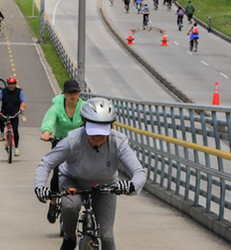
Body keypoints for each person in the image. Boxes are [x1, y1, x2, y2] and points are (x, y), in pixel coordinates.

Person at [34, 98, 147, 250]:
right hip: (73, 180)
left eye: (103, 131)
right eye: (94, 131)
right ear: (85, 125)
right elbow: (46, 162)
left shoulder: (118, 142)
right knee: (69, 206)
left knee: (107, 236)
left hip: (106, 185)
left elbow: (139, 172)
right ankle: (69, 237)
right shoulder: (73, 140)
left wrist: (131, 186)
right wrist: (40, 186)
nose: (98, 137)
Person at [40, 79, 85, 224]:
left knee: (85, 173)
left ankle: (87, 205)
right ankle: (53, 203)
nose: (73, 95)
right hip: (60, 143)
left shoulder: (84, 107)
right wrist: (46, 133)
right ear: (64, 94)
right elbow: (49, 121)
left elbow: (91, 121)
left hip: (79, 145)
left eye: (76, 92)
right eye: (70, 92)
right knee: (57, 173)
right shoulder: (57, 107)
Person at [0, 76, 26, 157]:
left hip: (14, 114)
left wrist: (22, 107)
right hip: (5, 113)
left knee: (15, 131)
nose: (11, 85)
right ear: (7, 84)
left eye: (13, 84)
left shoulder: (19, 92)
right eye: (9, 84)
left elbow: (23, 101)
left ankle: (16, 148)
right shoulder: (3, 91)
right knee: (1, 122)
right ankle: (2, 133)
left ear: (15, 84)